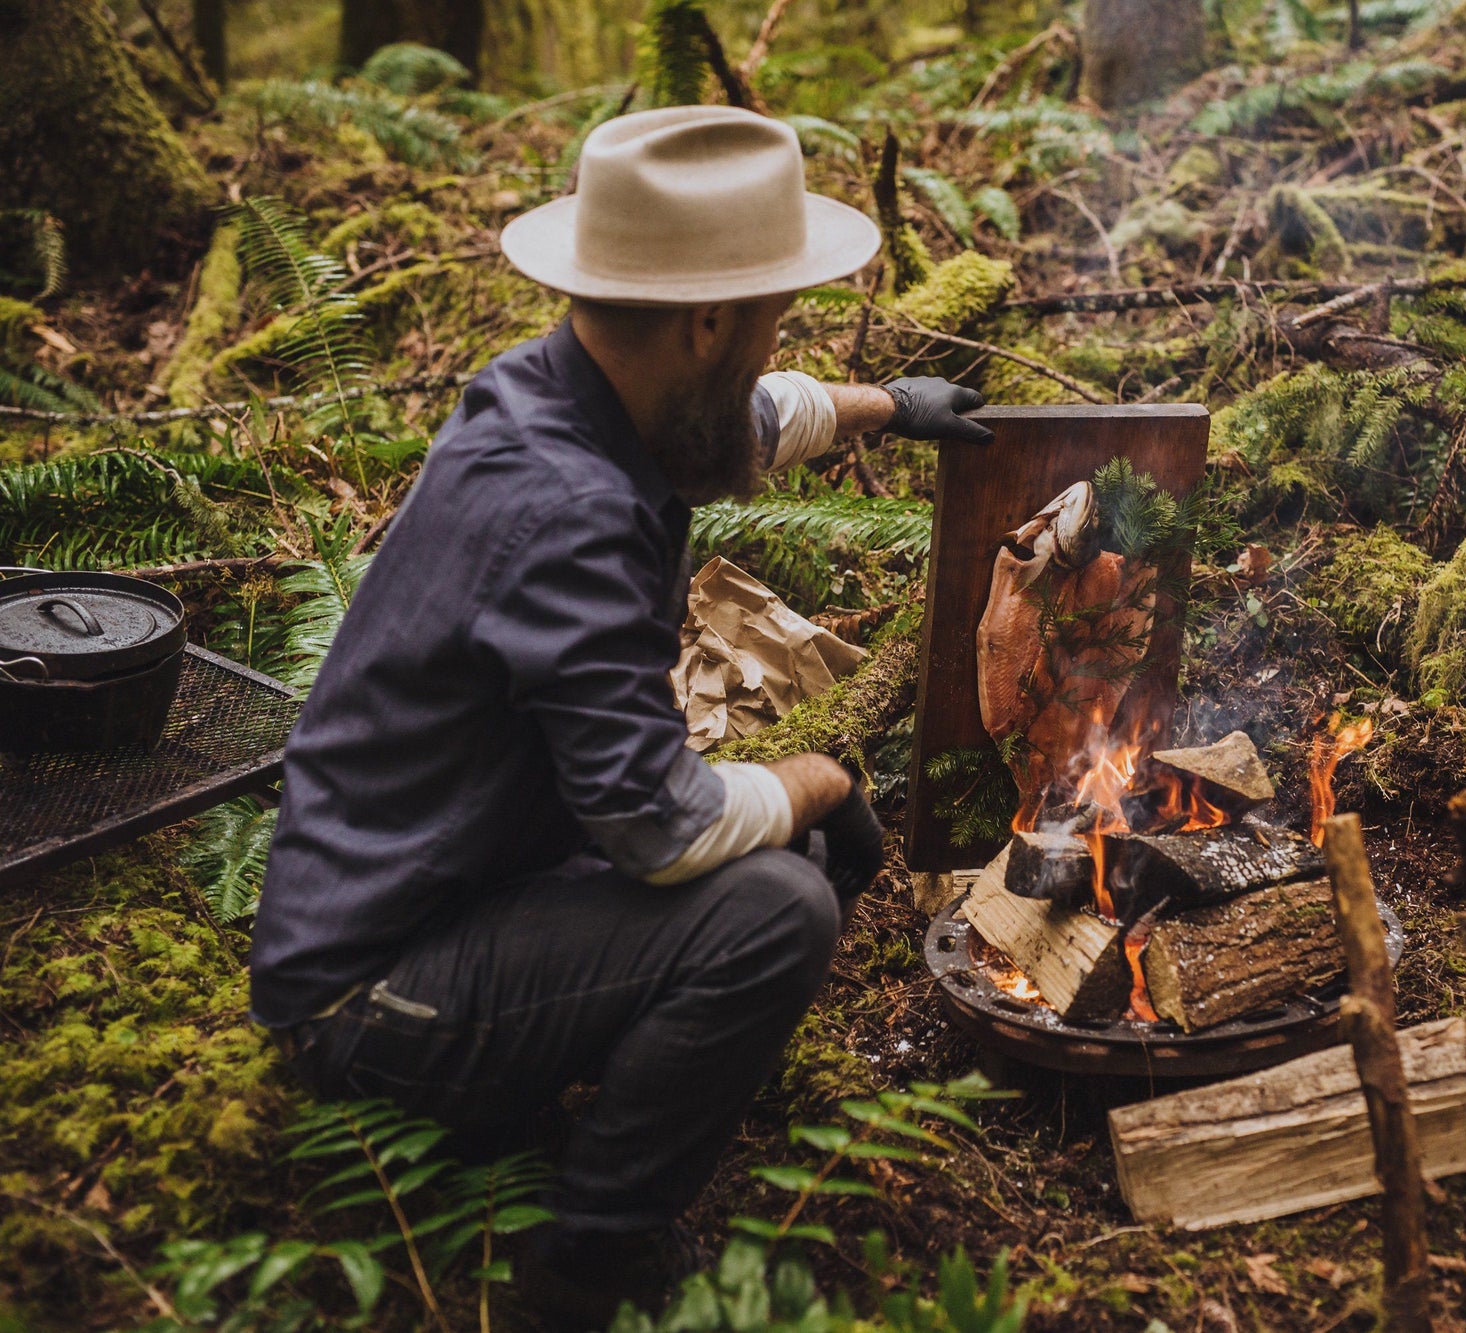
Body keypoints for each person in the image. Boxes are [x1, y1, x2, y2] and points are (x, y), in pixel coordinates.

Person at [245, 107, 993, 1330]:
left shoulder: (571, 391)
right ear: (706, 322)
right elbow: (659, 829)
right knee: (775, 901)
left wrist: (891, 407)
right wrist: (820, 778)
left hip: (464, 881)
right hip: (369, 996)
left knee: (777, 855)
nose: (773, 344)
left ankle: (597, 1086)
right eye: (767, 321)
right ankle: (583, 1268)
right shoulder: (568, 513)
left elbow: (746, 417)